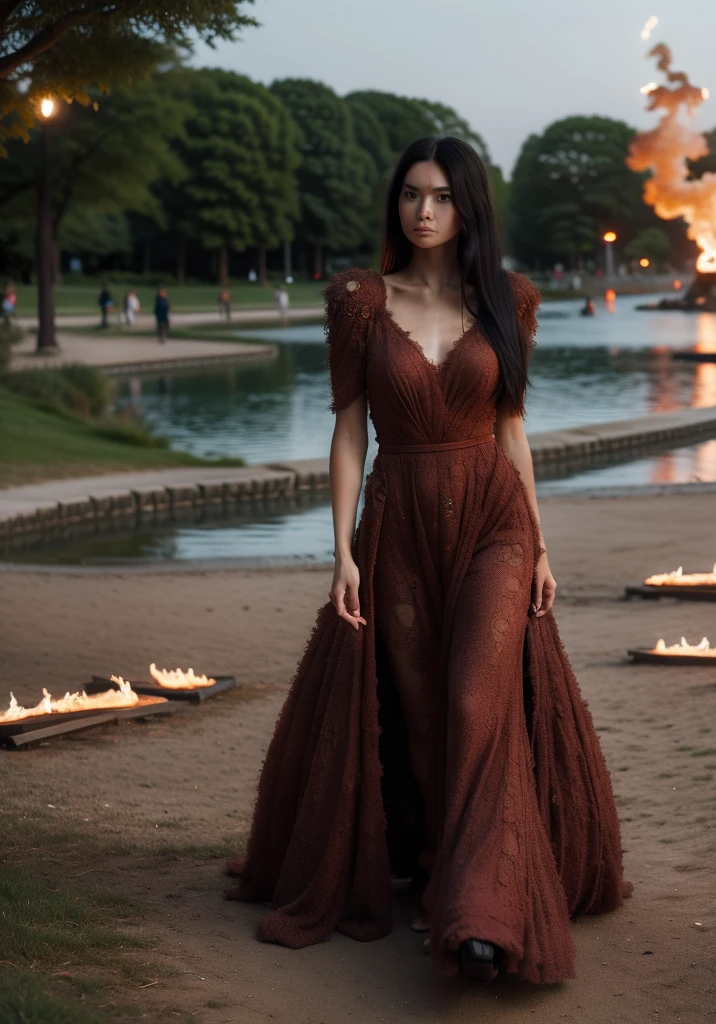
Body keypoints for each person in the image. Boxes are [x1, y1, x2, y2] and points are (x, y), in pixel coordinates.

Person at [225, 136, 631, 986]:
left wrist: (544, 544)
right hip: (399, 522)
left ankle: (480, 912)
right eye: (411, 194)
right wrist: (340, 552)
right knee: (419, 717)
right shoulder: (360, 301)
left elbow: (513, 435)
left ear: (468, 205)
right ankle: (445, 870)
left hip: (495, 521)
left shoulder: (510, 302)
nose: (423, 210)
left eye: (442, 196)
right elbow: (347, 431)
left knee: (478, 697)